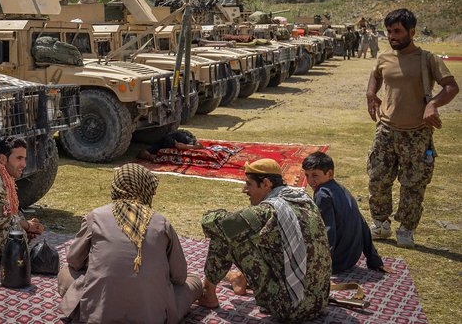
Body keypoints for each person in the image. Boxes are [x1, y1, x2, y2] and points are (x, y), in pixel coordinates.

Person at [58, 163, 202, 324]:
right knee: (193, 282)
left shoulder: (96, 216)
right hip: (153, 317)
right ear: (146, 188)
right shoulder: (162, 223)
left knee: (65, 272)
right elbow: (180, 276)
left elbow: (73, 260)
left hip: (96, 316)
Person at [366, 8, 458, 248]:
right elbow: (376, 76)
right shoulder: (385, 57)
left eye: (397, 31)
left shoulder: (427, 59)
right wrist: (370, 93)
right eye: (388, 32)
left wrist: (433, 105)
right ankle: (381, 224)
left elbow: (451, 87)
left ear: (412, 32)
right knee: (378, 179)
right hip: (386, 130)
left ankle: (406, 229)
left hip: (416, 133)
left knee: (413, 184)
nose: (391, 36)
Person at [198, 158, 331, 322]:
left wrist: (225, 217)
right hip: (319, 302)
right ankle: (240, 277)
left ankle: (207, 293)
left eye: (249, 184)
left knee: (226, 234)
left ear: (266, 183)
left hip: (289, 308)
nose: (244, 190)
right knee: (246, 234)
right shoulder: (303, 199)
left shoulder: (268, 211)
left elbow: (211, 223)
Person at [302, 152, 393, 274]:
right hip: (350, 258)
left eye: (315, 175)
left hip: (336, 262)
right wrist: (374, 260)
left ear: (329, 174)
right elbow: (363, 225)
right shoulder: (342, 189)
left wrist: (322, 267)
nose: (310, 181)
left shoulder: (322, 194)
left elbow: (328, 232)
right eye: (307, 175)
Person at [137, 129, 203, 161]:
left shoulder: (182, 137)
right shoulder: (161, 144)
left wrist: (185, 146)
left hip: (180, 136)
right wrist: (150, 157)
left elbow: (200, 145)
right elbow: (142, 152)